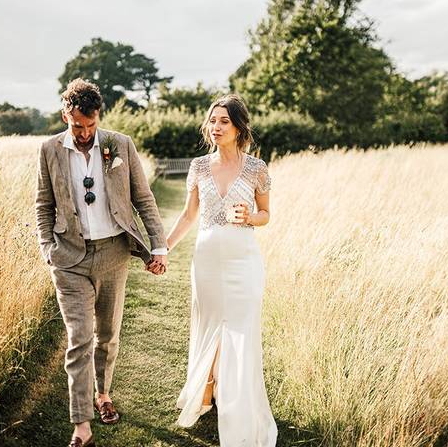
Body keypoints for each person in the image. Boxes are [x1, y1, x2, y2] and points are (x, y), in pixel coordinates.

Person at [35, 78, 169, 447]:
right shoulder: (48, 150)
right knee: (79, 338)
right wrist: (48, 247)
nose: (84, 133)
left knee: (107, 335)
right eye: (77, 125)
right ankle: (82, 426)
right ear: (66, 114)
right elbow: (43, 204)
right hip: (69, 258)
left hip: (113, 254)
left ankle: (103, 393)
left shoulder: (119, 144)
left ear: (98, 118)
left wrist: (158, 246)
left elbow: (143, 199)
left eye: (91, 125)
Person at [166, 93, 277, 447]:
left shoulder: (258, 168)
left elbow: (266, 215)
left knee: (241, 328)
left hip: (244, 262)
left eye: (224, 121)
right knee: (211, 324)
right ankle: (206, 392)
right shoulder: (199, 166)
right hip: (208, 261)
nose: (216, 127)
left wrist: (250, 217)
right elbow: (188, 215)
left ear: (239, 126)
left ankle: (238, 403)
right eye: (213, 121)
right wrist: (162, 247)